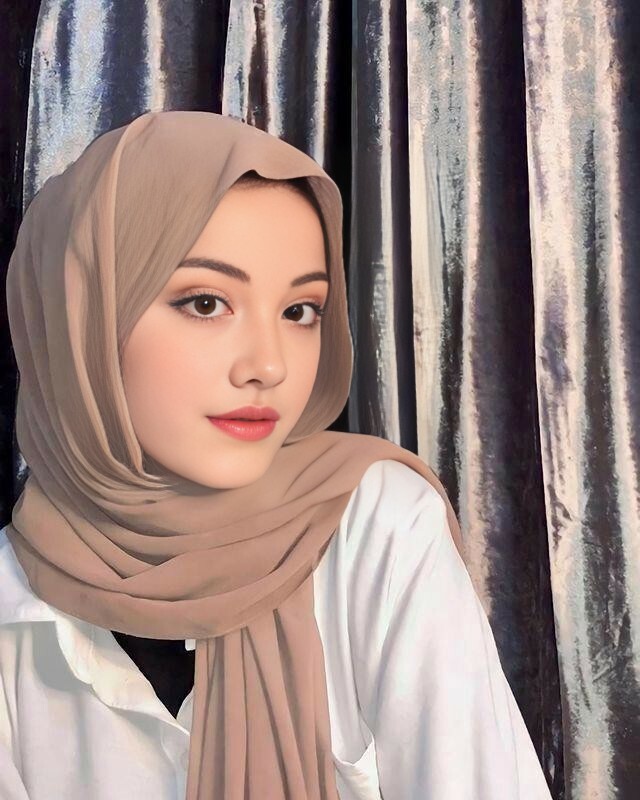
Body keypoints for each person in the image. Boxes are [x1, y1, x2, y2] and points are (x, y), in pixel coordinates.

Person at [0, 110, 552, 800]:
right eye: (206, 303)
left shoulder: (372, 524)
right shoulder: (14, 596)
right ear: (79, 318)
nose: (269, 366)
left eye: (300, 311)